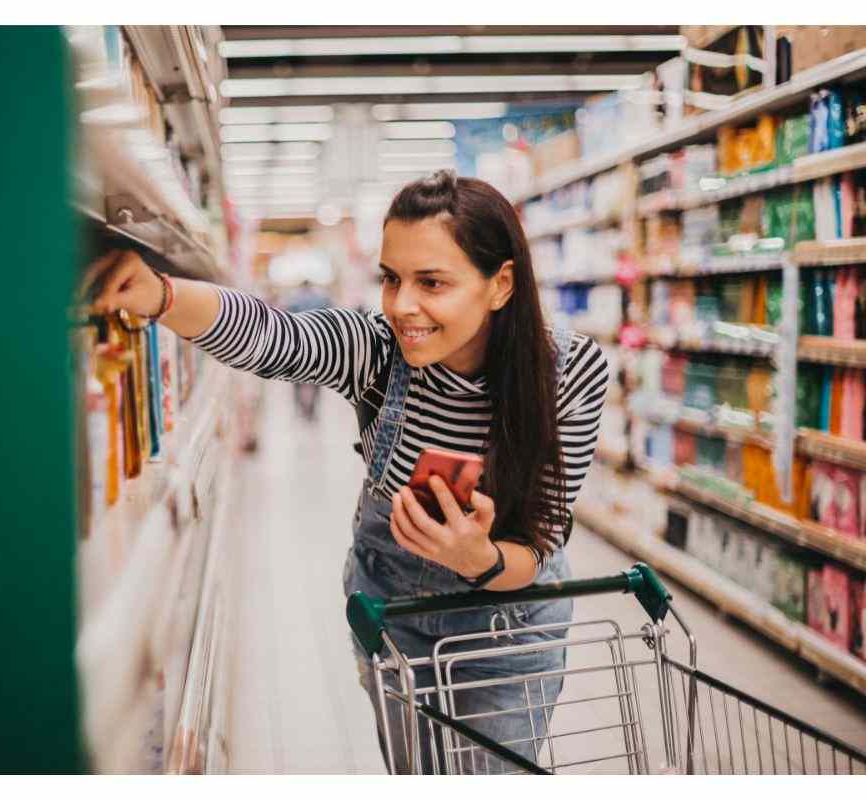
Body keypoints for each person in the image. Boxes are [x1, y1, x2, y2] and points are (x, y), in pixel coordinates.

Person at [91, 170, 609, 773]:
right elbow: (272, 335)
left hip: (506, 626)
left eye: (432, 282)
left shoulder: (567, 371)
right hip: (392, 614)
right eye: (392, 279)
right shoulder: (377, 349)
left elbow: (542, 535)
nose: (402, 306)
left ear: (501, 284)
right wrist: (161, 295)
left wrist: (480, 560)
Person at [283, 280, 333, 421]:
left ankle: (299, 407)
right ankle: (313, 409)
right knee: (318, 377)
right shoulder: (322, 298)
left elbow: (285, 323)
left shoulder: (293, 299)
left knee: (295, 377)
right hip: (318, 345)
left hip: (297, 346)